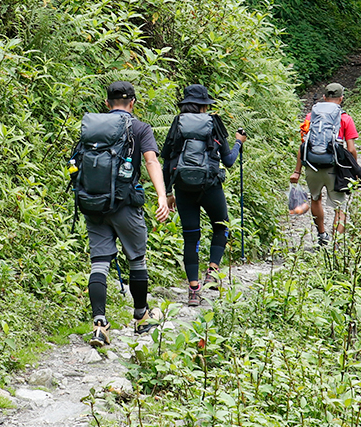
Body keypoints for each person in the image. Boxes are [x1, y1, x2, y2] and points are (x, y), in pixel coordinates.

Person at [80, 81, 169, 347]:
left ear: (107, 104)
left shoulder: (93, 127)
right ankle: (141, 317)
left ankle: (99, 324)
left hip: (93, 203)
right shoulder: (140, 127)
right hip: (125, 204)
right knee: (137, 260)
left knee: (99, 263)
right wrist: (162, 196)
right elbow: (151, 160)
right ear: (133, 103)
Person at [159, 84, 246, 307]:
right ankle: (212, 271)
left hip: (183, 188)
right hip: (210, 186)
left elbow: (167, 159)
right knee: (222, 225)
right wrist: (238, 143)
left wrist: (168, 192)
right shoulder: (213, 123)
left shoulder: (177, 123)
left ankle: (194, 290)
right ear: (205, 105)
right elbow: (228, 161)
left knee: (191, 237)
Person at [289, 82, 359, 246]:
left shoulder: (310, 117)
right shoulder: (345, 118)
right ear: (341, 99)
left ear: (324, 97)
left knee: (316, 199)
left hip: (312, 166)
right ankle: (336, 244)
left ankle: (322, 235)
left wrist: (297, 171)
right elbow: (351, 149)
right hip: (335, 169)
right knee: (339, 206)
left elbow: (303, 145)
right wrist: (354, 170)